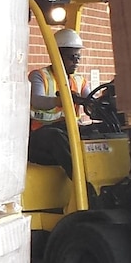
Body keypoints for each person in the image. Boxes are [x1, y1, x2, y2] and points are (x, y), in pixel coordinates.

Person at [26, 28, 91, 175]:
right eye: (71, 57)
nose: (76, 62)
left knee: (95, 133)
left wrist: (99, 103)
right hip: (40, 138)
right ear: (57, 56)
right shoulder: (39, 76)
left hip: (68, 133)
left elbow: (91, 102)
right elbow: (37, 100)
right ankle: (82, 183)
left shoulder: (80, 81)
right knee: (57, 137)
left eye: (78, 58)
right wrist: (60, 100)